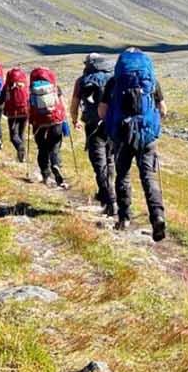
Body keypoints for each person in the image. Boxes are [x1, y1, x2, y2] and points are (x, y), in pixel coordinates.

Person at [99, 48, 167, 242]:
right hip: (147, 136)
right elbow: (163, 109)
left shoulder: (114, 82)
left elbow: (103, 112)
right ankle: (157, 216)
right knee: (148, 176)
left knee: (123, 175)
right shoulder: (152, 82)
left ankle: (124, 218)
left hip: (122, 135)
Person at [70, 53, 117, 216]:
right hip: (112, 125)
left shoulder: (82, 81)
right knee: (109, 160)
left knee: (98, 163)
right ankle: (107, 193)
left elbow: (74, 104)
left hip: (93, 125)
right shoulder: (113, 78)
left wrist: (75, 120)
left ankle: (109, 199)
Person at [28, 67, 69, 188]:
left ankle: (45, 175)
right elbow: (62, 104)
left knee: (42, 147)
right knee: (55, 145)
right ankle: (55, 164)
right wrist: (65, 119)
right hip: (55, 120)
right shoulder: (55, 88)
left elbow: (28, 105)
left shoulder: (32, 89)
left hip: (38, 122)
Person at [2, 66, 31, 163]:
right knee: (21, 133)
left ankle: (20, 148)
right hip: (25, 111)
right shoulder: (25, 83)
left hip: (13, 113)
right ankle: (21, 157)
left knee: (13, 135)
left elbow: (2, 97)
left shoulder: (8, 85)